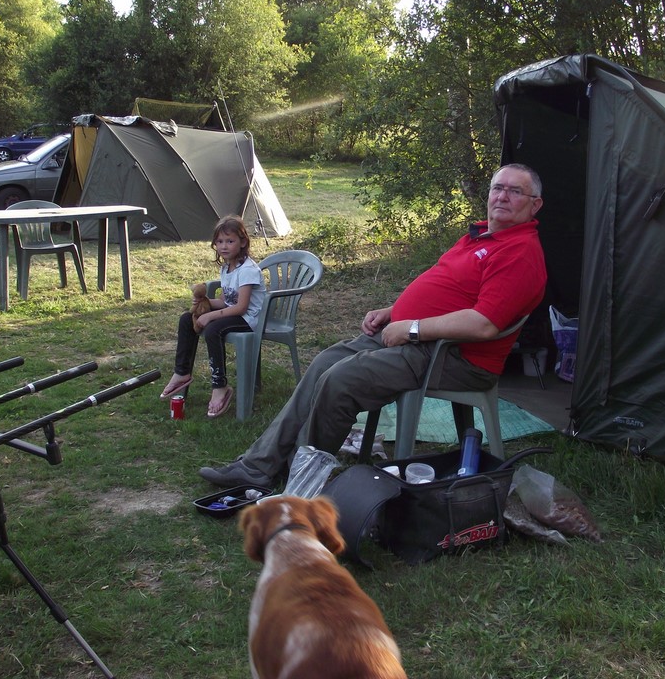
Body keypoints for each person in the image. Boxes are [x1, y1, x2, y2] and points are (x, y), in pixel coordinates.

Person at [199, 163, 548, 489]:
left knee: (340, 380)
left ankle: (300, 474)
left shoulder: (520, 254)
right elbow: (450, 292)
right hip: (419, 338)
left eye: (515, 191)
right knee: (323, 363)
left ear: (535, 205)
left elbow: (484, 324)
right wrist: (393, 311)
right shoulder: (480, 236)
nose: (502, 196)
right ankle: (259, 465)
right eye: (498, 188)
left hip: (456, 357)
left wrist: (412, 328)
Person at [160, 215, 267, 418]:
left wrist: (210, 317)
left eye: (230, 241)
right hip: (235, 313)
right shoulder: (227, 267)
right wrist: (205, 303)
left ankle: (220, 386)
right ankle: (182, 373)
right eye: (220, 241)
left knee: (212, 329)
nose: (224, 246)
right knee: (186, 319)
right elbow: (226, 301)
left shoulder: (248, 270)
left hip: (250, 319)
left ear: (243, 242)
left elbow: (241, 307)